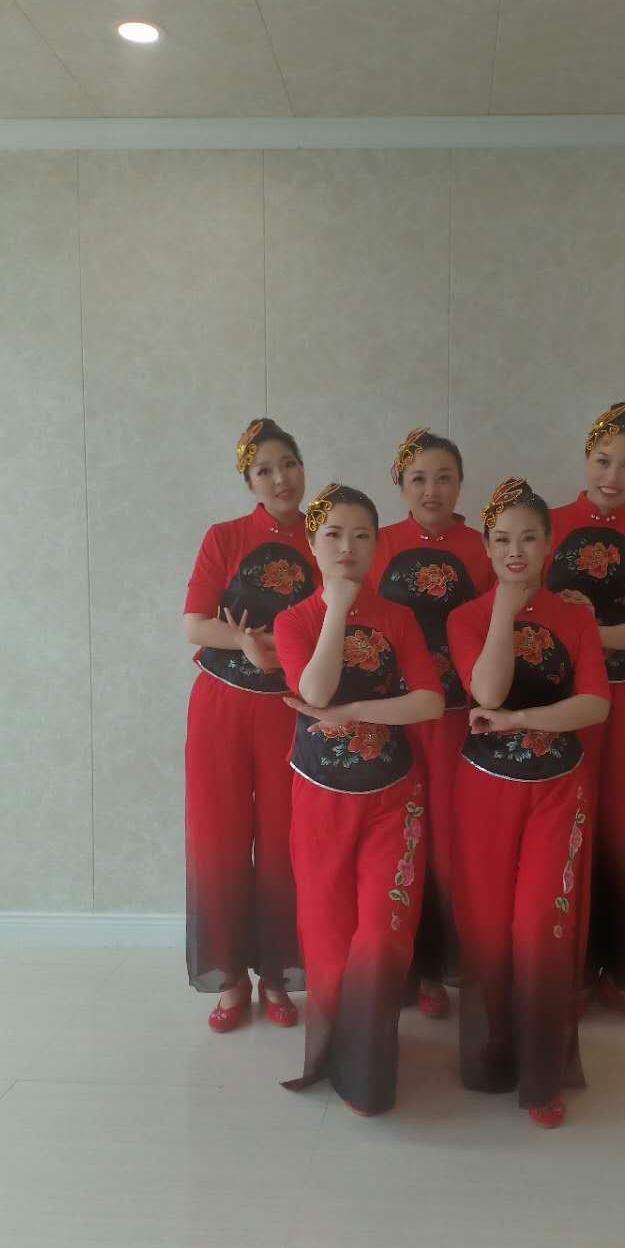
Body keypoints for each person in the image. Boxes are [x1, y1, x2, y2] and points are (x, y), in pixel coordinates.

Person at [274, 484, 444, 1116]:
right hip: (320, 796)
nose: (347, 547)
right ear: (313, 542)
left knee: (383, 933)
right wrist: (339, 608)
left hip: (394, 798)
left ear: (377, 544)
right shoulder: (293, 621)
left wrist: (357, 712)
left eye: (362, 535)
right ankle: (333, 1055)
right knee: (327, 935)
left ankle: (368, 1075)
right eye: (333, 535)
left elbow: (429, 701)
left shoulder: (398, 618)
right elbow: (314, 691)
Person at [447, 478, 611, 1127]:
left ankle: (542, 1076)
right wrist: (505, 612)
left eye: (529, 538)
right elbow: (487, 692)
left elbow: (594, 705)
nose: (515, 551)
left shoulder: (576, 617)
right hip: (484, 791)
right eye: (502, 540)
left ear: (549, 544)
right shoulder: (466, 617)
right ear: (487, 549)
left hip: (558, 790)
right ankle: (496, 1050)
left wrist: (523, 721)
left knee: (541, 925)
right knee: (488, 928)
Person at [183, 419, 319, 1031]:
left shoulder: (324, 537)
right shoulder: (225, 536)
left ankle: (277, 975)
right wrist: (241, 642)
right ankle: (230, 976)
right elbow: (193, 623)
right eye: (264, 470)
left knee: (286, 842)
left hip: (291, 710)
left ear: (302, 468)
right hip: (223, 706)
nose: (280, 478)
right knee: (220, 837)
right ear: (249, 481)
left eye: (288, 463)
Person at [545, 403, 625, 1026]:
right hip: (566, 699)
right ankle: (565, 974)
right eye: (603, 461)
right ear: (585, 459)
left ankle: (623, 978)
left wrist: (586, 628)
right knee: (568, 827)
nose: (613, 476)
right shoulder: (547, 524)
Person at [369, 430, 495, 1018]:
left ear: (461, 483)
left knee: (447, 844)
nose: (431, 490)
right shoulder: (377, 543)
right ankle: (394, 968)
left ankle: (440, 968)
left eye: (444, 477)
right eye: (418, 478)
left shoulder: (483, 547)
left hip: (457, 720)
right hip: (391, 720)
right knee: (396, 841)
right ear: (400, 486)